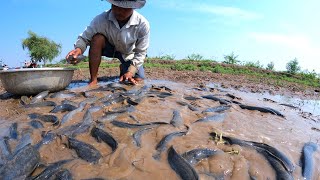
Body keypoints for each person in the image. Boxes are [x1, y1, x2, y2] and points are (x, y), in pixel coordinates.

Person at [66, 0, 150, 86]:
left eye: (125, 9)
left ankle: (124, 67)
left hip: (128, 53)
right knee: (97, 38)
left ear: (133, 7)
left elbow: (141, 52)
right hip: (109, 48)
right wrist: (78, 50)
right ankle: (93, 80)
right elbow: (84, 38)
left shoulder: (142, 24)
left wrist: (130, 72)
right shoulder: (101, 19)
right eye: (116, 7)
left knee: (137, 80)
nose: (120, 11)